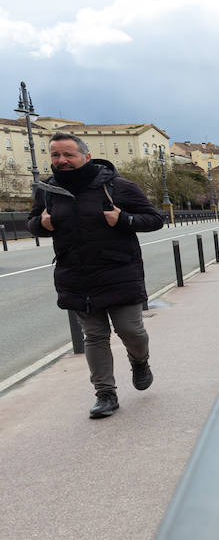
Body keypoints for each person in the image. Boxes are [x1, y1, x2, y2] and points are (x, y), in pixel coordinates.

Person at [27, 133, 165, 418]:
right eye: (55, 155)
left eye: (68, 155)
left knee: (131, 330)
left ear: (86, 157)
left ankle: (140, 361)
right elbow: (33, 223)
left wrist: (124, 219)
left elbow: (155, 219)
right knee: (94, 336)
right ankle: (105, 394)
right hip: (76, 275)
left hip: (119, 272)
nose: (61, 161)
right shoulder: (47, 191)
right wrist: (42, 225)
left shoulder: (117, 186)